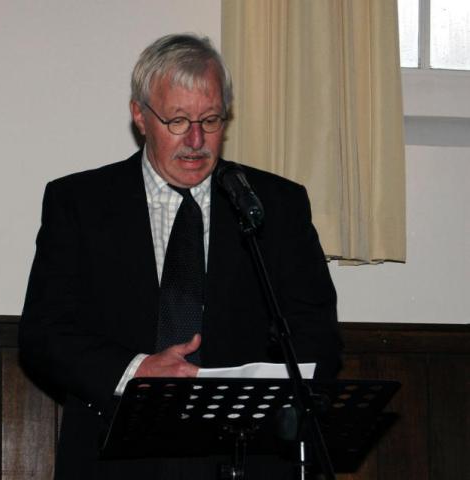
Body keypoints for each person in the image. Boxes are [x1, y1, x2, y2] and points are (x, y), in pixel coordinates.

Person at [20, 33, 342, 479]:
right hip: (113, 456)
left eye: (210, 120)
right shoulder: (79, 203)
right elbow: (44, 335)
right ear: (140, 116)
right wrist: (137, 372)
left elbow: (315, 333)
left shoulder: (274, 204)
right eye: (177, 121)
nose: (196, 139)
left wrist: (256, 397)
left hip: (247, 458)